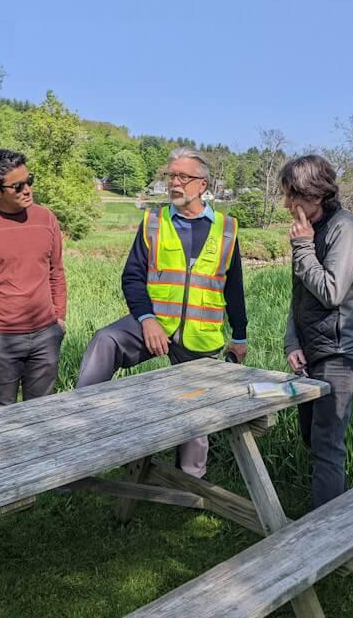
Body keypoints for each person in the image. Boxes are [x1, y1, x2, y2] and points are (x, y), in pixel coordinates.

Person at [76, 147, 247, 477]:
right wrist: (147, 319)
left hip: (201, 336)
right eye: (171, 175)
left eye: (184, 176)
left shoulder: (227, 229)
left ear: (203, 184)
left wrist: (239, 335)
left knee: (196, 413)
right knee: (105, 341)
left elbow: (234, 288)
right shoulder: (153, 222)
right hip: (153, 324)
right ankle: (82, 434)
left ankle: (189, 482)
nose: (175, 182)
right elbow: (132, 278)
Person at [281, 154, 353, 509]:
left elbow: (332, 291)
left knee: (326, 443)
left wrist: (303, 247)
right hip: (311, 350)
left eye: (294, 196)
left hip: (340, 352)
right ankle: (327, 513)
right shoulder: (309, 231)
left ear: (317, 195)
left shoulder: (344, 229)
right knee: (311, 436)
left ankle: (327, 530)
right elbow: (299, 295)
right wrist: (292, 341)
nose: (288, 204)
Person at [0, 149, 67, 410]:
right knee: (0, 415)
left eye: (30, 180)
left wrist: (59, 320)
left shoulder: (46, 218)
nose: (27, 189)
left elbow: (57, 271)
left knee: (42, 413)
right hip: (0, 339)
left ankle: (41, 453)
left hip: (46, 334)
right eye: (17, 186)